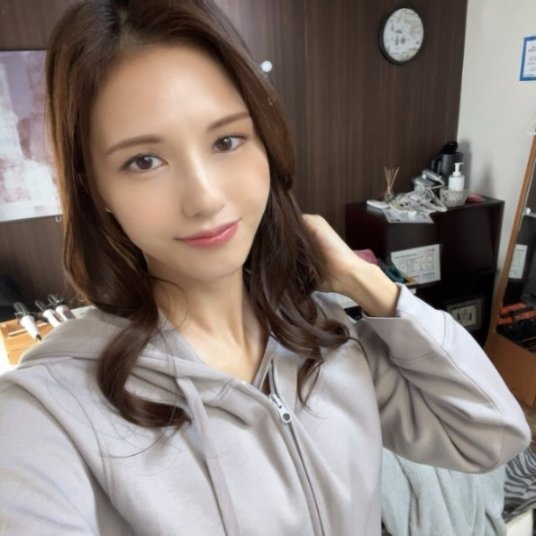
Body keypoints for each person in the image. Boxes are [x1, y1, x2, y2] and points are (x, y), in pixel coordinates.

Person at [0, 1, 530, 534]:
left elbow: (492, 435)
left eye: (226, 141)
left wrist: (366, 282)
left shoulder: (326, 334)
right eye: (144, 161)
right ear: (95, 188)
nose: (205, 198)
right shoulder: (50, 414)